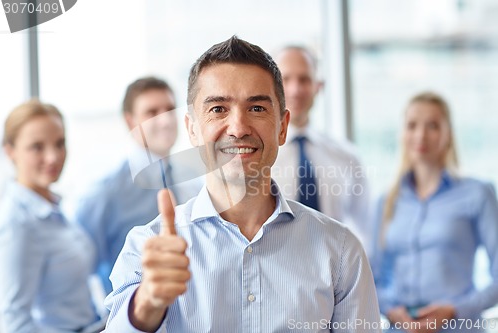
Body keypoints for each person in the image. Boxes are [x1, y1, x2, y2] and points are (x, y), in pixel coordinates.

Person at [104, 36, 381, 332]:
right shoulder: (146, 247)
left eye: (257, 108)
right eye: (218, 109)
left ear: (283, 127)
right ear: (192, 130)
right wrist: (147, 303)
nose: (238, 128)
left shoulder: (340, 251)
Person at [371, 92, 498, 332]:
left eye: (433, 126)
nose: (421, 135)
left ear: (449, 134)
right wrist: (390, 309)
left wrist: (455, 310)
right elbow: (371, 276)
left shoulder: (478, 193)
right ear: (402, 134)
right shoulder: (386, 201)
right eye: (412, 125)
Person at [73, 77, 202, 295]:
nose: (165, 121)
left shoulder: (192, 180)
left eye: (170, 109)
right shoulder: (106, 192)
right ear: (130, 121)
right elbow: (80, 270)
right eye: (152, 113)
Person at [0, 100, 101, 332]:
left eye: (59, 143)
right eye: (37, 147)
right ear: (10, 151)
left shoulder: (51, 206)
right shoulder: (18, 223)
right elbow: (15, 321)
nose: (53, 157)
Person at [272, 46, 370, 248]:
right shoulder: (254, 156)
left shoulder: (346, 156)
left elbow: (365, 228)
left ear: (319, 86)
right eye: (286, 79)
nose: (295, 90)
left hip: (335, 274)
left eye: (304, 80)